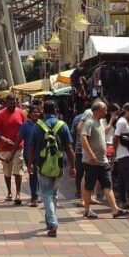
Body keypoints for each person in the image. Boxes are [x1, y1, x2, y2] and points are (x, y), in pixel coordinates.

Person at [27, 100, 76, 237]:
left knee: (47, 194)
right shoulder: (63, 125)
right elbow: (69, 148)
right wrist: (73, 166)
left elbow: (30, 147)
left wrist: (29, 165)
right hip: (59, 165)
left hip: (42, 165)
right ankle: (50, 221)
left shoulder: (37, 126)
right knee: (54, 194)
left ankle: (52, 222)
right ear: (55, 110)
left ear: (44, 111)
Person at [80, 100, 129, 219]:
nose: (106, 111)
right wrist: (91, 154)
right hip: (92, 162)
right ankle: (87, 210)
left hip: (103, 161)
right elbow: (83, 138)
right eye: (105, 110)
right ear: (98, 110)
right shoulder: (89, 122)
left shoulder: (98, 122)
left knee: (108, 185)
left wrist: (112, 120)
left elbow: (104, 132)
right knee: (89, 186)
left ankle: (115, 209)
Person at [0, 96, 27, 204]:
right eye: (11, 103)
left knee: (18, 171)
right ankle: (9, 191)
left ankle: (18, 193)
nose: (13, 104)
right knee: (7, 172)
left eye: (14, 102)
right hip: (5, 148)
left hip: (18, 147)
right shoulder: (0, 115)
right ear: (6, 103)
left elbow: (25, 127)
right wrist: (2, 138)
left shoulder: (21, 113)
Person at [113, 103, 129, 211]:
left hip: (126, 154)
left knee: (123, 179)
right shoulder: (122, 122)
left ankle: (123, 201)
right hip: (124, 155)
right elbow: (116, 137)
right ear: (126, 110)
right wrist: (115, 151)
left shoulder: (126, 122)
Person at [19, 105, 42, 207]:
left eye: (38, 112)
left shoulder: (42, 125)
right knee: (33, 176)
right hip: (29, 154)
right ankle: (34, 197)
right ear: (29, 114)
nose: (36, 114)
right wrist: (12, 153)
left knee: (39, 176)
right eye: (34, 112)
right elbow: (19, 139)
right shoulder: (25, 125)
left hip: (41, 154)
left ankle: (36, 195)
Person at [70, 103, 92, 202]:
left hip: (78, 148)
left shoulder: (76, 118)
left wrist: (74, 146)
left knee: (79, 171)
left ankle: (79, 190)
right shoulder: (92, 118)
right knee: (88, 171)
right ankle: (87, 191)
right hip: (88, 149)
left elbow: (73, 133)